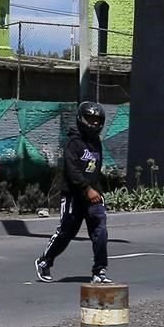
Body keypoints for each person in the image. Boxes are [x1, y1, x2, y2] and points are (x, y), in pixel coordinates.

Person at [35, 102, 112, 284]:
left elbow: (95, 169)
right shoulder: (73, 142)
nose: (93, 124)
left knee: (100, 230)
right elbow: (73, 170)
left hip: (92, 197)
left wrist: (98, 191)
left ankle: (99, 270)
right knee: (67, 231)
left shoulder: (96, 142)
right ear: (81, 119)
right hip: (73, 195)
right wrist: (87, 189)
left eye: (97, 121)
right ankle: (45, 261)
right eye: (89, 119)